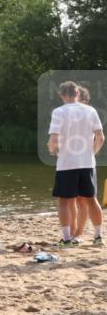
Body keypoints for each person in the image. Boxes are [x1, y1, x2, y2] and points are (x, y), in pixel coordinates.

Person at [48, 80, 104, 247]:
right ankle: (98, 236)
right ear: (78, 93)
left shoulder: (58, 112)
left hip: (67, 163)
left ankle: (66, 239)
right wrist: (91, 153)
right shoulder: (91, 110)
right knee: (91, 200)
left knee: (64, 200)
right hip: (87, 163)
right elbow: (101, 137)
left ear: (61, 95)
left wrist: (53, 149)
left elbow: (54, 139)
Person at [71, 86, 93, 240]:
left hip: (84, 161)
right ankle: (73, 232)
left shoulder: (89, 113)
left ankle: (78, 233)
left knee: (83, 199)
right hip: (70, 161)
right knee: (71, 199)